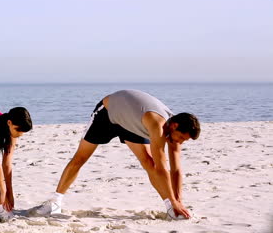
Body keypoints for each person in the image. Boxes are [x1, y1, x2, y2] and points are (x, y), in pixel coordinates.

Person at [35, 89, 200, 220]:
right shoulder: (157, 125)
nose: (180, 142)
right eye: (181, 138)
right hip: (107, 114)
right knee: (81, 158)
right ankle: (55, 201)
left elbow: (176, 170)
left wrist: (178, 202)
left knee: (148, 162)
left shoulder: (174, 134)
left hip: (131, 123)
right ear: (174, 126)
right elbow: (162, 167)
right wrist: (174, 200)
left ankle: (171, 209)